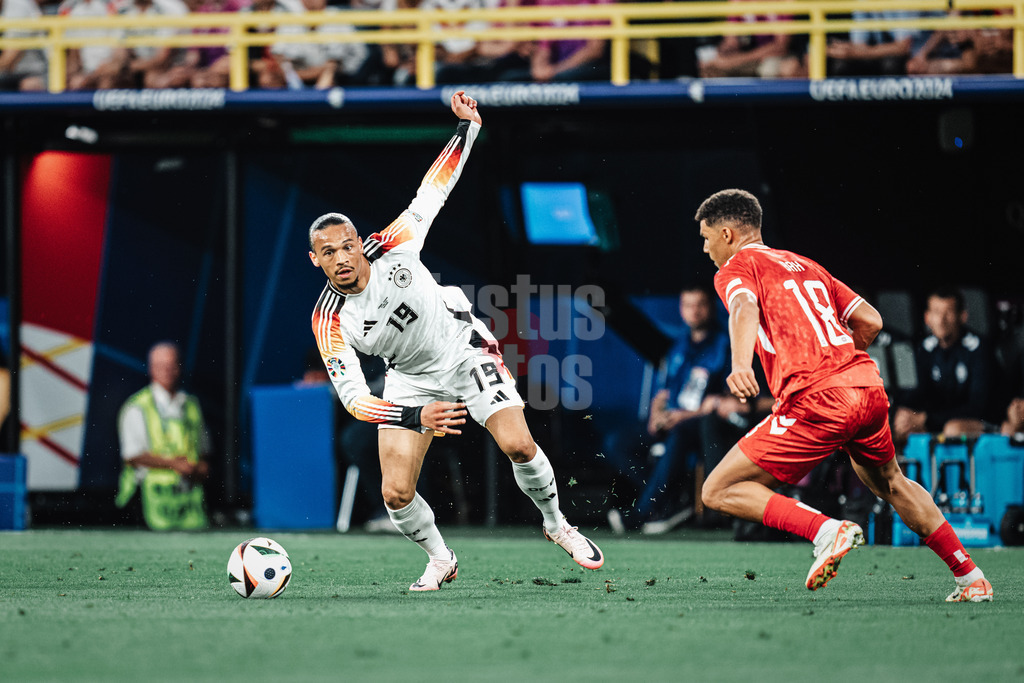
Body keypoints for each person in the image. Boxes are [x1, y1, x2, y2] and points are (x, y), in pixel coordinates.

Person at [307, 91, 603, 591]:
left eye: (347, 246)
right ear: (315, 260)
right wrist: (413, 414)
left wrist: (468, 129)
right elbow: (355, 400)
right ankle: (441, 558)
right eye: (328, 252)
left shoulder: (393, 245)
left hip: (463, 349)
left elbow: (433, 189)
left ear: (359, 243)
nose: (342, 258)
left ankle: (558, 525)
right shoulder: (328, 320)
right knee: (396, 493)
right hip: (409, 380)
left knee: (518, 445)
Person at [695, 188, 992, 602]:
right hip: (866, 389)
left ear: (727, 234)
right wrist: (838, 364)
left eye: (706, 238)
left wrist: (741, 365)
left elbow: (745, 308)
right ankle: (971, 577)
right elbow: (871, 320)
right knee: (892, 482)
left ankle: (826, 530)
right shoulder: (807, 265)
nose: (705, 248)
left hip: (816, 398)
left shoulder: (737, 267)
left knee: (718, 489)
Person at [606, 286, 731, 534]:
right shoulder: (678, 346)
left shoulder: (724, 345)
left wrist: (684, 416)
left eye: (700, 305)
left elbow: (727, 400)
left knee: (679, 433)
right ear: (681, 309)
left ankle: (642, 514)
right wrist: (656, 415)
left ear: (711, 307)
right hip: (670, 418)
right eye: (688, 305)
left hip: (699, 424)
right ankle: (671, 500)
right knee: (617, 442)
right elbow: (663, 392)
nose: (694, 311)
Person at [116, 342, 210, 530]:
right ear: (151, 369)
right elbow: (132, 456)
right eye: (160, 366)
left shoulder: (191, 405)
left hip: (188, 504)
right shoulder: (138, 406)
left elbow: (204, 454)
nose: (167, 371)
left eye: (171, 365)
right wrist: (174, 464)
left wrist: (196, 468)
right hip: (150, 500)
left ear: (179, 368)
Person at [890, 287, 998, 445]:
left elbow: (977, 407)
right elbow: (915, 394)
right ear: (927, 317)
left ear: (962, 316)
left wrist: (926, 418)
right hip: (937, 420)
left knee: (953, 429)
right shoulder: (924, 348)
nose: (941, 320)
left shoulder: (978, 348)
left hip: (981, 423)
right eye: (936, 312)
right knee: (900, 424)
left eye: (948, 312)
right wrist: (905, 415)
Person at [0, 0, 48, 92]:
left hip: (36, 72)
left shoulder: (19, 5)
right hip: (8, 74)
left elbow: (10, 57)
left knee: (30, 85)